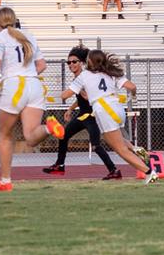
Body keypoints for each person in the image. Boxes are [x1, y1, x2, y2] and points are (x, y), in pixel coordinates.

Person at [0, 7, 65, 191]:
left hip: (14, 86)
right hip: (34, 84)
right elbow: (42, 65)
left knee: (5, 136)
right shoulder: (28, 35)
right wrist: (27, 74)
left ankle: (6, 181)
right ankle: (49, 127)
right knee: (31, 137)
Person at [59, 49, 158, 184]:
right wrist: (133, 96)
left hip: (103, 110)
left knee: (120, 149)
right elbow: (132, 86)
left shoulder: (84, 75)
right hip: (117, 108)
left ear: (89, 61)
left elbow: (65, 96)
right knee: (111, 139)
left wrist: (62, 93)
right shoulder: (111, 72)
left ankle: (149, 172)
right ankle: (135, 149)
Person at [43, 46, 122, 180]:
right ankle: (60, 165)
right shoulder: (78, 78)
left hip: (92, 116)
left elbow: (88, 97)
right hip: (82, 116)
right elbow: (80, 100)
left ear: (82, 63)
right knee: (63, 136)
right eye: (69, 62)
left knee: (96, 145)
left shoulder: (85, 77)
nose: (71, 65)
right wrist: (70, 109)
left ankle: (114, 170)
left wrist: (79, 91)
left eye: (74, 61)